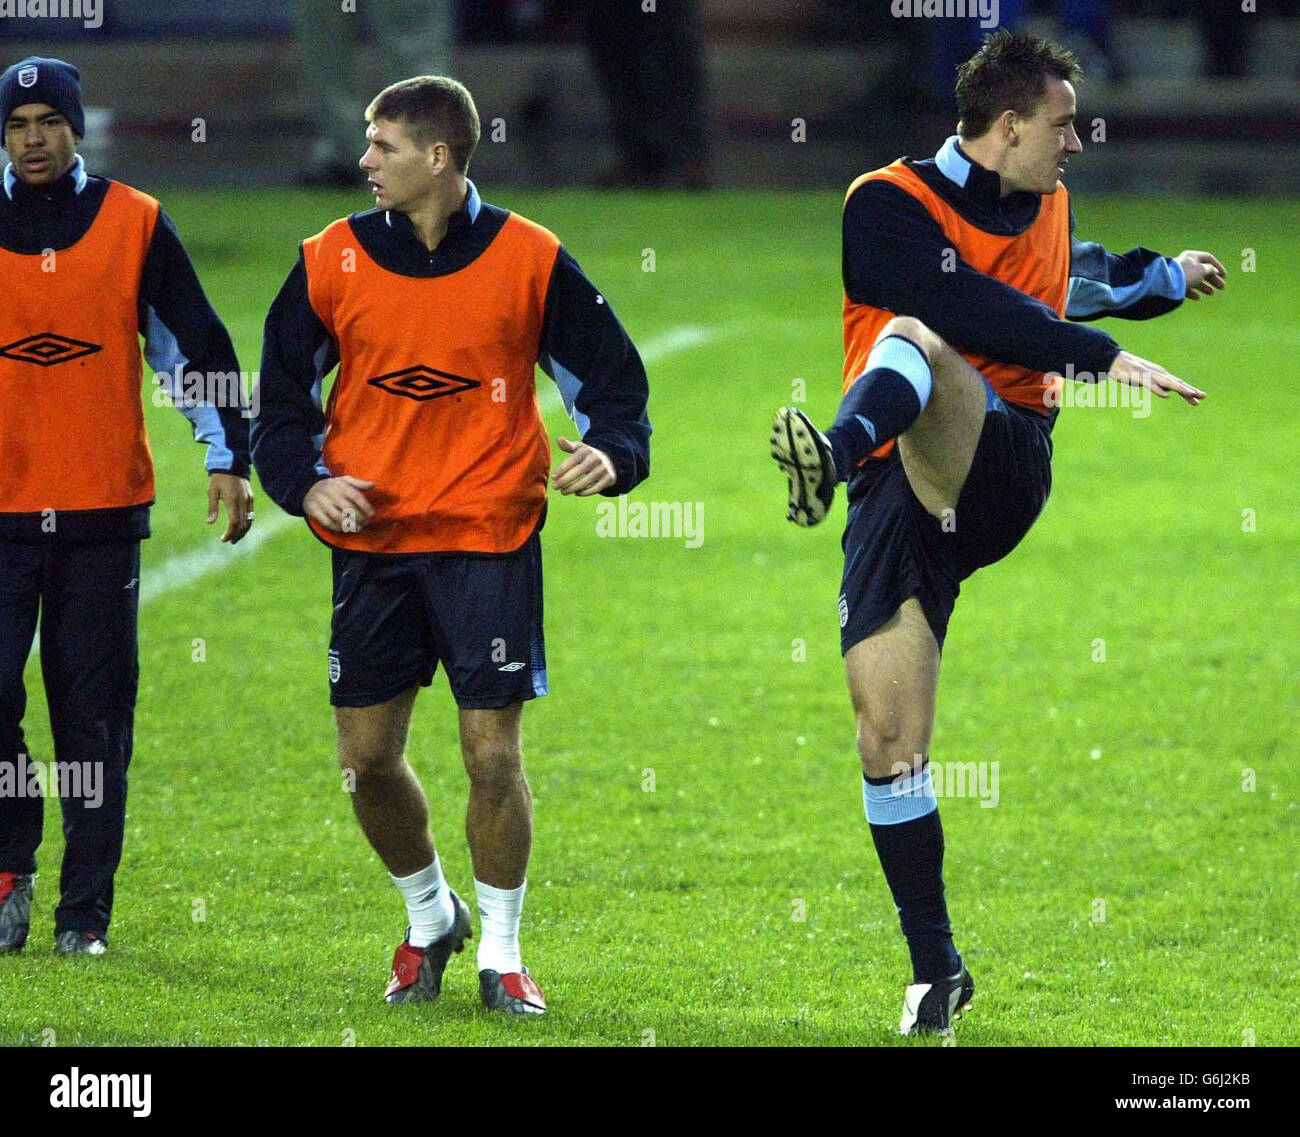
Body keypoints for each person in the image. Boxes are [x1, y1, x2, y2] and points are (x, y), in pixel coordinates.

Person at [769, 30, 1224, 1036]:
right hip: (903, 496)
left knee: (909, 341)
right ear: (1007, 127)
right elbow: (961, 292)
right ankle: (936, 974)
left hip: (1003, 460)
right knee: (887, 741)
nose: (1074, 144)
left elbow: (1065, 280)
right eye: (1060, 125)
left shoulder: (1047, 202)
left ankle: (830, 454)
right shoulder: (883, 203)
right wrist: (1095, 351)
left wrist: (1160, 280)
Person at [251, 75, 650, 1013]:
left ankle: (502, 955)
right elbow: (277, 405)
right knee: (367, 758)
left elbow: (615, 382)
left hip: (488, 536)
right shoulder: (328, 260)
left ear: (437, 158)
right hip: (374, 545)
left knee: (490, 754)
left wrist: (615, 454)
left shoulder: (530, 257)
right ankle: (431, 915)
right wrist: (306, 481)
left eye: (381, 145)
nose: (363, 162)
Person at [0, 57, 253, 957]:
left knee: (93, 714)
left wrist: (228, 453)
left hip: (101, 509)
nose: (33, 137)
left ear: (76, 128)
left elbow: (196, 348)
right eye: (18, 121)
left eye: (48, 120)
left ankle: (83, 915)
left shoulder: (136, 222)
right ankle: (9, 862)